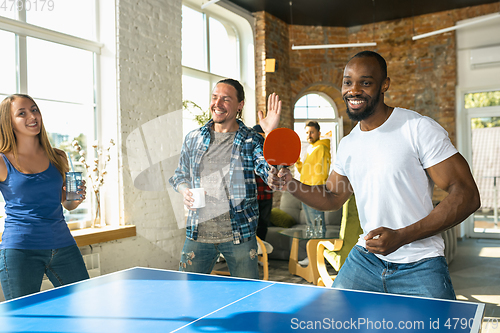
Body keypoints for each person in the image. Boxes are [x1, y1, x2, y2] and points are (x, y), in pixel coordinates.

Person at [268, 51, 480, 299]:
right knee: (330, 320)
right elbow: (332, 196)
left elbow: (467, 194)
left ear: (384, 85)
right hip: (366, 259)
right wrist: (291, 184)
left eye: (365, 82)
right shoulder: (348, 144)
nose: (353, 90)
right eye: (348, 82)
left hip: (420, 262)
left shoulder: (417, 128)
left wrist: (402, 236)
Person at [169, 79, 281, 279]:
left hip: (239, 236)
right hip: (197, 234)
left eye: (226, 99)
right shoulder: (193, 138)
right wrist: (184, 191)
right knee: (185, 293)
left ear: (240, 105)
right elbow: (180, 176)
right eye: (214, 97)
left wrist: (271, 134)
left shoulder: (252, 140)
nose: (217, 103)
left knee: (248, 297)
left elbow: (272, 176)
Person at [0, 94, 89, 300]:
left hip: (63, 245)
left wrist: (74, 199)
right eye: (22, 113)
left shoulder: (58, 156)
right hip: (20, 250)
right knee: (24, 319)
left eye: (34, 110)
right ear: (9, 122)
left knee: (85, 304)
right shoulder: (3, 161)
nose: (32, 116)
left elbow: (67, 204)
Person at [295, 121, 331, 266]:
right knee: (311, 226)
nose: (309, 135)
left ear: (318, 133)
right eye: (307, 132)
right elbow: (305, 172)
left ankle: (318, 259)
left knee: (317, 226)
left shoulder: (321, 147)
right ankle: (312, 257)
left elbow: (320, 172)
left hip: (315, 191)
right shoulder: (311, 149)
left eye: (312, 132)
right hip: (306, 191)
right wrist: (297, 162)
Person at [252, 124, 273, 241]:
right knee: (251, 226)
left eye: (262, 136)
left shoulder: (270, 151)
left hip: (266, 195)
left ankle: (262, 255)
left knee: (263, 225)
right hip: (252, 196)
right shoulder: (248, 150)